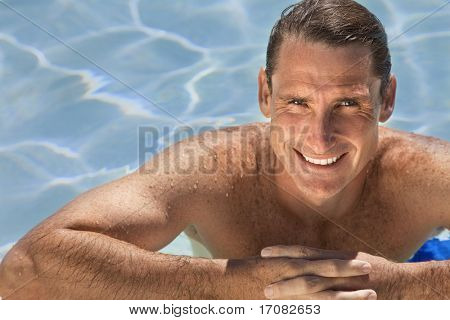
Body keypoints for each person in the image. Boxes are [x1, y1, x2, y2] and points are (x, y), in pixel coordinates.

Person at [0, 0, 449, 300]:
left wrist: (400, 286)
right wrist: (237, 284)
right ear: (265, 94)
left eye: (348, 103)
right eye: (296, 102)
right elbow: (24, 269)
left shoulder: (424, 174)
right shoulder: (210, 170)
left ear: (386, 99)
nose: (319, 136)